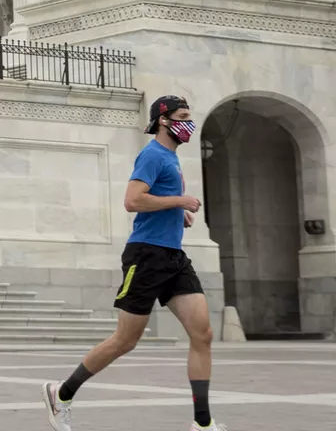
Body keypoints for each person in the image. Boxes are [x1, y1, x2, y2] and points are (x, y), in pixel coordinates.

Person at [43, 96, 223, 431]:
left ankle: (202, 422)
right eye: (183, 116)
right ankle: (62, 393)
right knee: (125, 340)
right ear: (164, 120)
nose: (189, 123)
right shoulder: (153, 154)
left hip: (174, 257)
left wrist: (176, 212)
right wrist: (181, 200)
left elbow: (152, 199)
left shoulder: (170, 157)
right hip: (146, 256)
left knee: (204, 334)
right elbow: (132, 200)